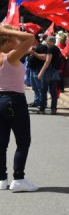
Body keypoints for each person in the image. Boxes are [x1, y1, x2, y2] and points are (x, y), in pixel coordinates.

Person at [0, 25, 37, 192]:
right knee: (23, 141)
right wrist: (6, 31)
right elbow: (30, 37)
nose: (17, 41)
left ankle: (1, 179)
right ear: (7, 41)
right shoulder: (11, 57)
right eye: (14, 40)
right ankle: (18, 178)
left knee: (1, 143)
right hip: (14, 100)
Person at [35, 36, 62, 115]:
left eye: (48, 41)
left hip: (48, 72)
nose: (47, 42)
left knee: (44, 91)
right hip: (55, 72)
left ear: (53, 42)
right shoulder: (57, 49)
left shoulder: (50, 49)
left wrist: (41, 72)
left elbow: (47, 61)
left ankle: (42, 109)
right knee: (53, 92)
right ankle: (54, 109)